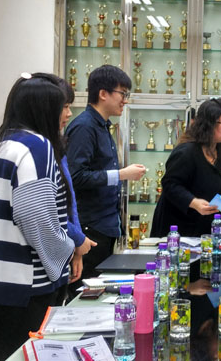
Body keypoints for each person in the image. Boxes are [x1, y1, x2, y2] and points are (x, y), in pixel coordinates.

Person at [0, 72, 76, 361]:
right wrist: (66, 251)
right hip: (21, 285)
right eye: (62, 107)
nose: (68, 114)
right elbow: (35, 217)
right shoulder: (37, 146)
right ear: (43, 109)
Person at [65, 65, 146, 289]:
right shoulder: (84, 127)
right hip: (90, 229)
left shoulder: (102, 126)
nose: (125, 100)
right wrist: (121, 174)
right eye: (122, 94)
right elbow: (75, 177)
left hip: (104, 226)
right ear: (103, 93)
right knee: (86, 293)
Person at [150, 98, 221, 237]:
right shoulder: (186, 152)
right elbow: (170, 185)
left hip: (213, 231)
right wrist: (193, 202)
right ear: (209, 124)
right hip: (183, 232)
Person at [54, 77, 96, 285]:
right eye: (65, 107)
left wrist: (77, 242)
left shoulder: (57, 145)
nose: (70, 113)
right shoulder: (38, 151)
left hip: (69, 244)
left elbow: (69, 200)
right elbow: (49, 212)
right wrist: (77, 239)